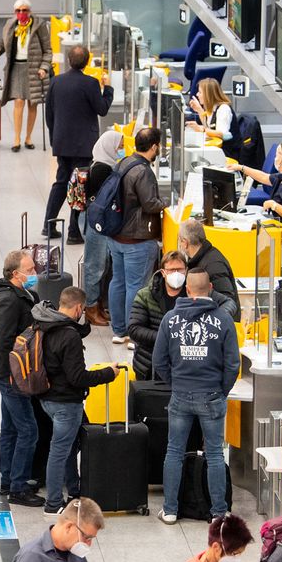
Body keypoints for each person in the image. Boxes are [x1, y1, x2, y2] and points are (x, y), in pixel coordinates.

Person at [153, 270, 240, 523]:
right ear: (210, 288)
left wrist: (176, 382)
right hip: (212, 394)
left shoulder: (170, 320)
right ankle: (218, 512)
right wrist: (221, 390)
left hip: (181, 394)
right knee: (214, 454)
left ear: (187, 289)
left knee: (174, 451)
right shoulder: (223, 320)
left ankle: (170, 510)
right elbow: (232, 364)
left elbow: (159, 360)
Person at [31, 286, 118, 514]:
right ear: (79, 307)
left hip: (46, 398)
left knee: (69, 446)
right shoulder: (68, 335)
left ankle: (74, 489)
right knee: (60, 450)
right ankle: (53, 503)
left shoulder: (44, 322)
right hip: (65, 403)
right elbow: (78, 377)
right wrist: (109, 373)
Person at [0, 249, 42, 506]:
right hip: (11, 374)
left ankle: (8, 478)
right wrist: (14, 376)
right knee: (28, 430)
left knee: (9, 427)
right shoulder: (9, 301)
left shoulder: (20, 295)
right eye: (30, 270)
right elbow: (4, 342)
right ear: (15, 273)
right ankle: (18, 486)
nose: (34, 274)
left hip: (7, 372)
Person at [43, 44, 113, 238]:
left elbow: (49, 113)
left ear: (68, 60)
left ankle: (48, 224)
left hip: (62, 142)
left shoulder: (56, 81)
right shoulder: (90, 83)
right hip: (84, 145)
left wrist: (54, 138)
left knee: (61, 181)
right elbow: (102, 109)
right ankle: (74, 231)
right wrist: (107, 88)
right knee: (80, 186)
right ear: (88, 61)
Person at [107, 127, 165, 345]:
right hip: (137, 239)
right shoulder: (144, 171)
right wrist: (165, 204)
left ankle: (119, 330)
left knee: (118, 282)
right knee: (136, 286)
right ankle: (134, 333)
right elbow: (150, 203)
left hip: (116, 235)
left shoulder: (122, 163)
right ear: (153, 147)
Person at [0, 0, 52, 152]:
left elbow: (48, 50)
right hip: (17, 67)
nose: (22, 13)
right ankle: (16, 138)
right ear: (14, 12)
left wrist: (44, 67)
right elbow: (3, 43)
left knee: (33, 103)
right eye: (18, 10)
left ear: (30, 11)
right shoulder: (10, 25)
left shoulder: (39, 26)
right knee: (19, 102)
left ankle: (28, 137)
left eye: (25, 10)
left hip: (34, 68)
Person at [80, 127, 123, 325]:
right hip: (97, 225)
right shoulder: (102, 170)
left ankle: (96, 306)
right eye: (119, 146)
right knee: (95, 265)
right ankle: (90, 308)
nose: (121, 150)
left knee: (100, 264)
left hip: (96, 223)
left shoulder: (99, 163)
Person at [130, 250, 187, 381]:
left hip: (183, 367)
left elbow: (225, 301)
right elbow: (134, 329)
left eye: (180, 269)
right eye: (172, 270)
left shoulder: (192, 294)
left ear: (186, 270)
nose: (176, 274)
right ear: (163, 272)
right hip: (149, 365)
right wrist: (165, 338)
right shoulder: (145, 295)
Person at [237, 142, 282, 245]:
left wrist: (273, 205)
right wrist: (241, 168)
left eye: (277, 154)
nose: (275, 157)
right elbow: (263, 177)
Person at [177, 218, 241, 322]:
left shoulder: (214, 265)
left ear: (185, 243)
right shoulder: (198, 260)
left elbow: (229, 303)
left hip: (220, 330)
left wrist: (211, 323)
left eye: (179, 240)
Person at [187, 76, 234, 141]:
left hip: (227, 150)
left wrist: (202, 129)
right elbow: (208, 127)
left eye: (200, 92)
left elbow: (224, 135)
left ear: (208, 94)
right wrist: (199, 110)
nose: (197, 94)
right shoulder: (212, 107)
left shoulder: (223, 109)